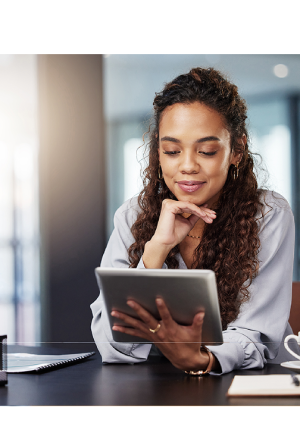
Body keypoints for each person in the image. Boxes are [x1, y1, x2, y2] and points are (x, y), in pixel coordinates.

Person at [91, 67, 299, 375]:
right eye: (172, 151)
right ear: (158, 154)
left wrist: (201, 360)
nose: (187, 166)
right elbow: (114, 346)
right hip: (157, 388)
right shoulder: (132, 215)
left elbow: (256, 337)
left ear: (236, 151)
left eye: (207, 151)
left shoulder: (267, 214)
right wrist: (156, 251)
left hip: (248, 384)